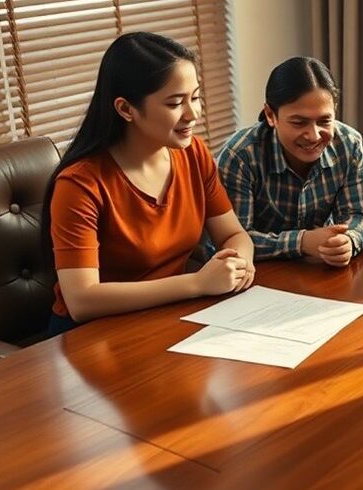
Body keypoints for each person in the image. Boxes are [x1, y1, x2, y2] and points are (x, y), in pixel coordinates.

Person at [43, 32, 255, 334]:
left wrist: (239, 264)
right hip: (93, 336)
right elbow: (81, 300)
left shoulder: (193, 153)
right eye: (174, 103)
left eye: (195, 97)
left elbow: (234, 234)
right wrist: (197, 283)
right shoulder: (79, 185)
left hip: (166, 319)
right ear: (126, 109)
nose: (193, 114)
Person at [217, 57, 363, 267]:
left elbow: (358, 214)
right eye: (299, 123)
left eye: (325, 121)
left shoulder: (348, 143)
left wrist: (348, 240)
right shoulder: (241, 155)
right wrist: (302, 242)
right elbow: (233, 239)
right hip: (257, 273)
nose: (314, 135)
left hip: (318, 266)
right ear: (271, 115)